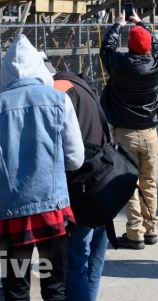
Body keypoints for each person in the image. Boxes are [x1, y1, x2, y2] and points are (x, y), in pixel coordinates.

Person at [0, 35, 84, 301]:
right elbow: (75, 159)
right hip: (53, 209)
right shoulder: (59, 101)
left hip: (11, 213)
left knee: (15, 290)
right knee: (55, 288)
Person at [100, 8, 158, 250]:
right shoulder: (156, 64)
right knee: (149, 182)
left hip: (124, 132)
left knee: (129, 183)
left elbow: (106, 49)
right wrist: (142, 23)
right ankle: (151, 229)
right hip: (150, 132)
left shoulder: (119, 64)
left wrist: (118, 25)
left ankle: (135, 232)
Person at [53, 69, 108, 301]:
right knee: (93, 262)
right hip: (102, 185)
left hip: (80, 189)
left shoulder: (59, 90)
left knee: (74, 265)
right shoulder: (84, 87)